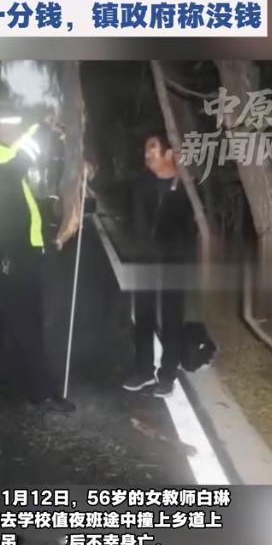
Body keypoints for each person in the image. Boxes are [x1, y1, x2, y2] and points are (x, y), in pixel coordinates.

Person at [0, 115, 75, 413]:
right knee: (28, 321)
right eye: (9, 126)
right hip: (11, 256)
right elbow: (26, 152)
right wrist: (42, 126)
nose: (15, 132)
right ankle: (41, 394)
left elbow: (15, 206)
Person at [122, 129, 196, 397]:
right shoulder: (142, 182)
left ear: (169, 153)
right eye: (146, 149)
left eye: (152, 149)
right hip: (145, 258)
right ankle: (143, 370)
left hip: (174, 260)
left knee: (172, 317)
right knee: (142, 315)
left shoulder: (188, 186)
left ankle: (167, 374)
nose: (146, 155)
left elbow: (193, 226)